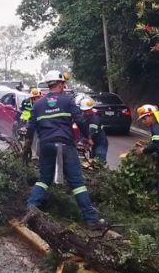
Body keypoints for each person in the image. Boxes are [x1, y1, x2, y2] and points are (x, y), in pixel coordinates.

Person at [24, 70, 106, 228]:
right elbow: (80, 120)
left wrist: (27, 149)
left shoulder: (38, 104)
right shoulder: (67, 101)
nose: (64, 87)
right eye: (63, 84)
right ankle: (91, 219)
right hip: (65, 144)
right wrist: (87, 138)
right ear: (60, 84)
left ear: (49, 85)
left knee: (44, 179)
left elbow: (30, 129)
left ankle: (30, 209)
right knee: (76, 182)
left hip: (46, 145)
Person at [80, 96, 108, 163]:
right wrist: (82, 141)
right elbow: (81, 131)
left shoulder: (95, 118)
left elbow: (91, 132)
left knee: (99, 161)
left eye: (88, 110)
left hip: (100, 143)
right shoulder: (82, 118)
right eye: (85, 111)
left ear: (91, 108)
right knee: (92, 161)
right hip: (93, 143)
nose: (86, 112)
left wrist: (87, 144)